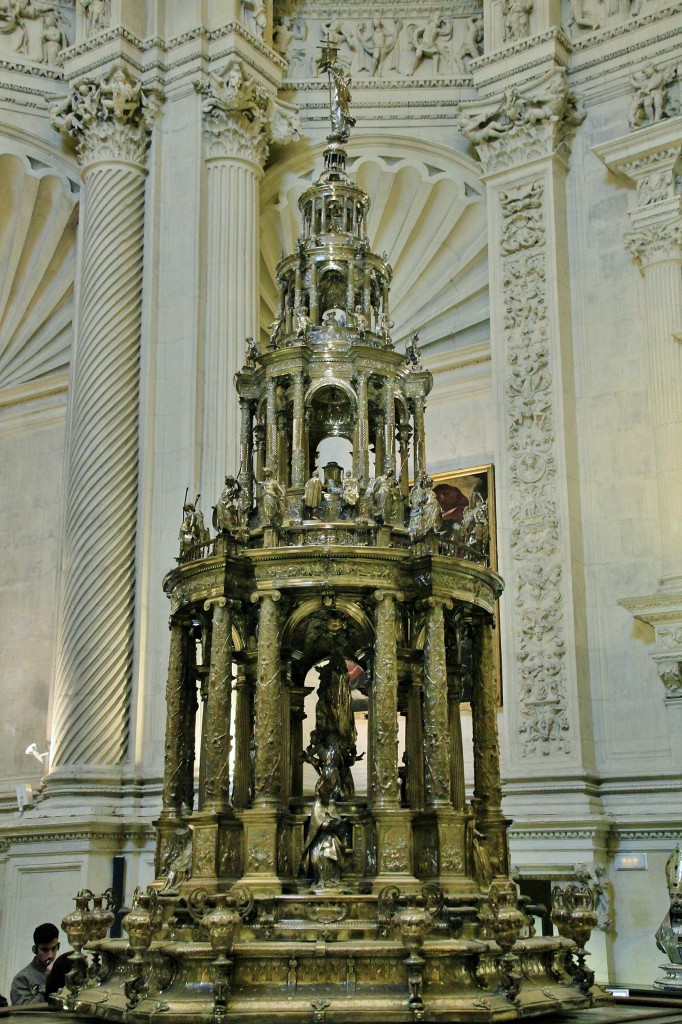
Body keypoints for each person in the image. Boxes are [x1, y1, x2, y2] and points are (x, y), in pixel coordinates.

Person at [11, 922, 60, 1005]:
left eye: (54, 948)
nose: (50, 955)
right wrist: (49, 986)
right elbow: (23, 1012)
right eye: (45, 950)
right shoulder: (22, 979)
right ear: (35, 950)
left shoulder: (61, 973)